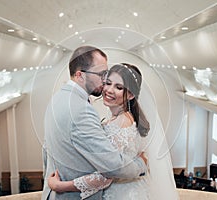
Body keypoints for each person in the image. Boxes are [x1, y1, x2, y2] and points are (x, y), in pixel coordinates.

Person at [42, 46, 148, 200]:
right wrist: (140, 165)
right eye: (102, 75)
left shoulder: (57, 98)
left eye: (118, 87)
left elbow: (108, 171)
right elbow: (112, 166)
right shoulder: (81, 109)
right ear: (80, 75)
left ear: (130, 94)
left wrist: (57, 185)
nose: (106, 84)